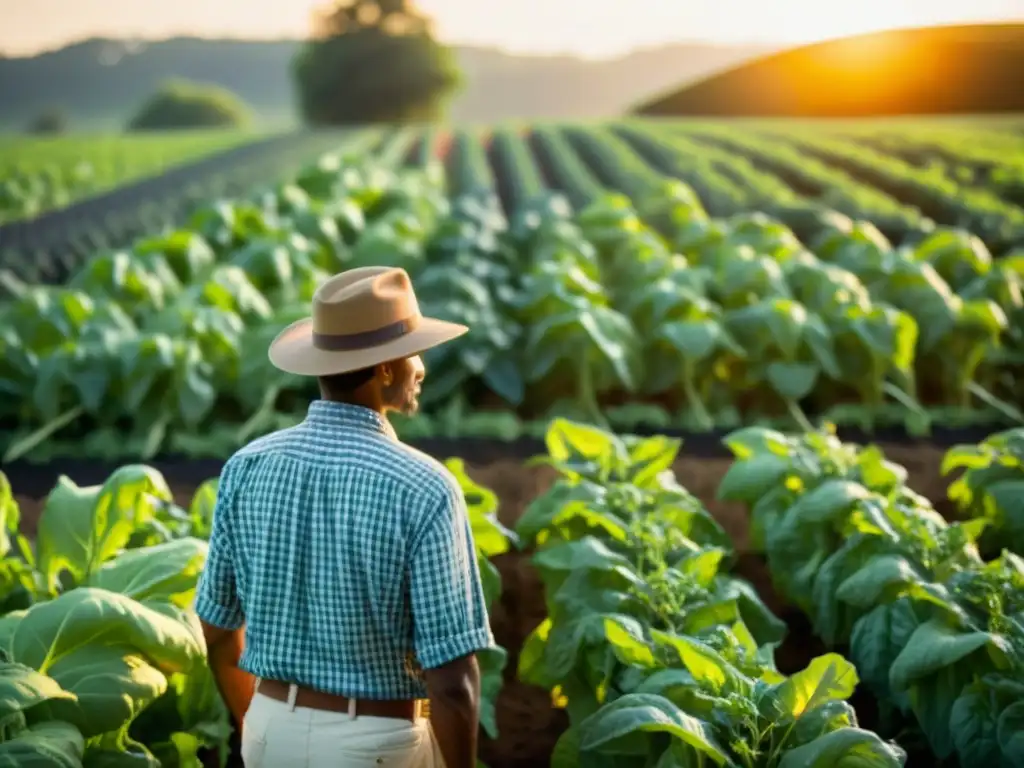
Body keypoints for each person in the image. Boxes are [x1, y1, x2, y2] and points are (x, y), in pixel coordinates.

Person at [193, 266, 495, 768]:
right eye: (413, 352)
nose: (421, 367)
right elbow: (454, 682)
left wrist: (256, 724)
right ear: (383, 370)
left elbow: (218, 629)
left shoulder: (246, 467)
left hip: (270, 732)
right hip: (377, 743)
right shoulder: (424, 486)